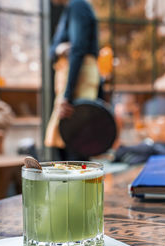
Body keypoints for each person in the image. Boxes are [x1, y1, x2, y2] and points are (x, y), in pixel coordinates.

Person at [45, 0, 100, 160]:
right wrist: (59, 48)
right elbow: (52, 50)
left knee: (73, 136)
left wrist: (67, 96)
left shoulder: (78, 6)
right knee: (65, 138)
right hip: (72, 82)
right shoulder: (71, 8)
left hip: (77, 82)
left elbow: (77, 49)